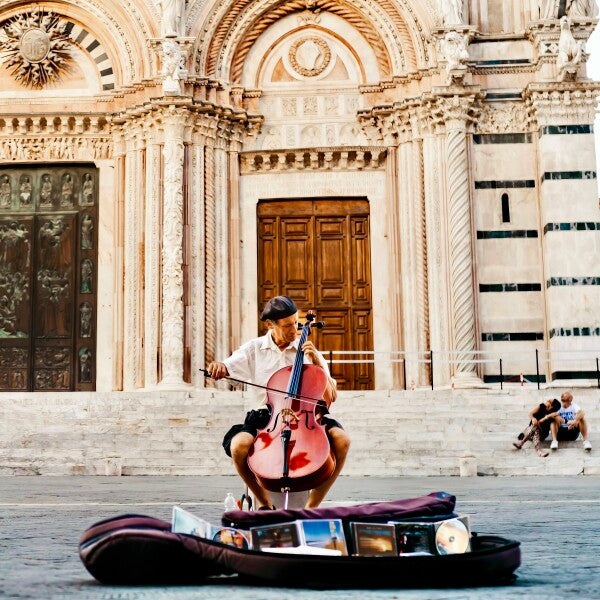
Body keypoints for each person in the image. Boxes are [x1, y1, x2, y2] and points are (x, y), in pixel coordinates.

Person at [207, 295, 350, 510]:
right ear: (270, 325)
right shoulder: (254, 349)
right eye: (287, 326)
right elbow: (227, 367)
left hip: (304, 416)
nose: (294, 331)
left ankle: (312, 507)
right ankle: (264, 503)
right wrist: (218, 367)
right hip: (266, 418)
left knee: (342, 440)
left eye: (295, 323)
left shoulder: (307, 351)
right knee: (238, 447)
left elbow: (331, 395)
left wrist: (318, 362)